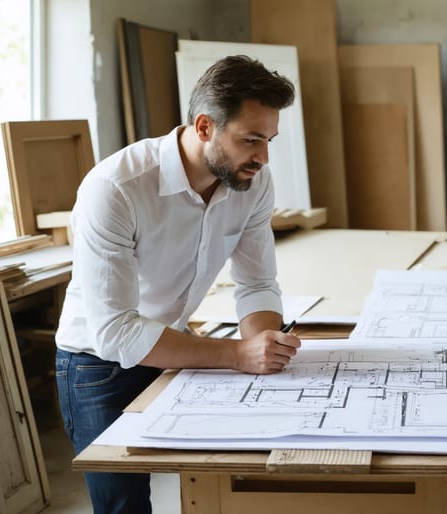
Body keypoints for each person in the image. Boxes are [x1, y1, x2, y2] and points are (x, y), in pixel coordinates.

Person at [55, 55, 302, 514]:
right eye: (250, 140)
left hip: (175, 342)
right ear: (205, 126)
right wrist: (237, 355)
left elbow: (256, 282)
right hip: (98, 364)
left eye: (268, 140)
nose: (263, 157)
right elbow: (117, 332)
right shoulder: (115, 187)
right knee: (124, 505)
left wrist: (266, 350)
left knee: (219, 476)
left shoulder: (252, 182)